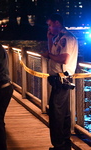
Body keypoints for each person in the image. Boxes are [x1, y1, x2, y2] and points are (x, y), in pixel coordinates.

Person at [41, 13, 78, 150]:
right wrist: (49, 39)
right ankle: (64, 144)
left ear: (57, 23)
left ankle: (59, 145)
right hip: (60, 80)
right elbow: (54, 53)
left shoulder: (66, 38)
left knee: (57, 115)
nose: (49, 27)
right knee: (63, 114)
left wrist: (48, 55)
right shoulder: (59, 38)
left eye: (50, 25)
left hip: (62, 80)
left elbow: (64, 59)